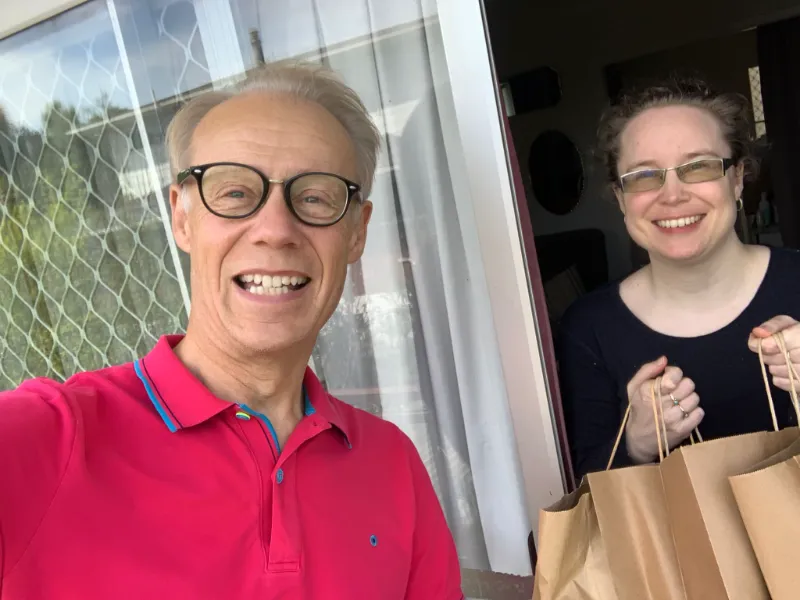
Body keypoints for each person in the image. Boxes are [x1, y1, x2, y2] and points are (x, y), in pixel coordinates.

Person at [0, 63, 463, 599]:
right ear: (182, 216)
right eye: (236, 193)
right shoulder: (43, 440)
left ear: (356, 232)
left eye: (314, 198)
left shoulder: (392, 465)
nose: (275, 230)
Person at [557, 76, 800, 480]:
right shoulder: (588, 328)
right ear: (621, 198)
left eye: (699, 166)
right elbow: (589, 495)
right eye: (643, 175)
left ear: (737, 177)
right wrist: (634, 444)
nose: (672, 195)